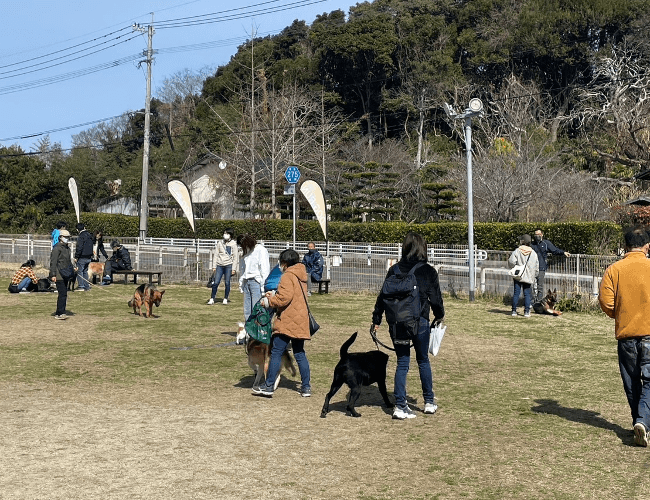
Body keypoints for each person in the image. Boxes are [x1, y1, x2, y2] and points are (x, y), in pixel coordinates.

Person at [371, 232, 445, 420]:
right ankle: (429, 401)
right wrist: (439, 316)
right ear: (423, 248)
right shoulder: (428, 271)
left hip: (397, 323)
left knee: (402, 362)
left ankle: (400, 406)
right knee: (423, 361)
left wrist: (376, 319)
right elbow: (436, 299)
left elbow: (382, 297)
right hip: (419, 321)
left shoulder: (394, 269)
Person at [599, 227, 650, 447]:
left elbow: (605, 301)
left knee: (631, 381)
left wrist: (619, 314)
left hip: (626, 334)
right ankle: (643, 421)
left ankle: (638, 422)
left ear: (626, 246)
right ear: (647, 246)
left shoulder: (614, 269)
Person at [253, 248, 311, 397]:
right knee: (299, 353)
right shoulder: (301, 275)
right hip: (300, 319)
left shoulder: (287, 276)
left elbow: (283, 299)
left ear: (285, 263)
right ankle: (306, 387)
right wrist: (275, 295)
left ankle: (268, 385)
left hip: (287, 319)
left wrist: (269, 301)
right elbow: (292, 295)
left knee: (276, 351)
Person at [237, 234, 270, 321]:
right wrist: (241, 283)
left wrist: (263, 288)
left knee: (256, 308)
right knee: (247, 309)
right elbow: (243, 268)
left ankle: (257, 330)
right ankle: (248, 329)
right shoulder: (247, 251)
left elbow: (265, 269)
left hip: (256, 282)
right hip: (247, 281)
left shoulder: (261, 250)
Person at [531, 229, 570, 302]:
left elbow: (554, 250)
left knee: (540, 286)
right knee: (531, 286)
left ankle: (538, 302)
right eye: (535, 234)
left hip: (541, 268)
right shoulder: (532, 245)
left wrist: (563, 252)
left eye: (538, 234)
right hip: (532, 268)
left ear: (542, 234)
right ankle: (531, 301)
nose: (537, 236)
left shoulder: (546, 243)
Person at [508, 234, 539, 318]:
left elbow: (511, 261)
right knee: (527, 294)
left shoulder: (517, 251)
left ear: (522, 241)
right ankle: (526, 312)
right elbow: (536, 266)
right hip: (528, 276)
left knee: (516, 293)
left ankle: (514, 310)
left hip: (518, 275)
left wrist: (514, 267)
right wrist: (534, 275)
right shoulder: (533, 253)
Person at [207, 228, 239, 305]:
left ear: (231, 235)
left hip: (228, 265)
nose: (225, 235)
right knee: (216, 282)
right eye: (224, 233)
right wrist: (214, 266)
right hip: (219, 265)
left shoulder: (233, 244)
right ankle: (212, 298)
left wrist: (234, 269)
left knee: (227, 282)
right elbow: (216, 255)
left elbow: (235, 257)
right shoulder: (220, 243)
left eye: (227, 233)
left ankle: (225, 298)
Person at [49, 229, 74, 320]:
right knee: (62, 294)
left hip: (66, 273)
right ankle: (59, 313)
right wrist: (53, 275)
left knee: (64, 294)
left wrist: (72, 269)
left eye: (68, 237)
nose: (67, 239)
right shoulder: (56, 248)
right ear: (60, 238)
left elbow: (68, 261)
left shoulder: (67, 248)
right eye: (65, 237)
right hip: (59, 274)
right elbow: (53, 262)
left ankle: (62, 311)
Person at [74, 223, 94, 291]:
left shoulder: (81, 236)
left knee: (80, 271)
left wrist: (76, 256)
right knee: (85, 271)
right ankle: (86, 286)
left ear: (77, 229)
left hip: (82, 256)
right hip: (89, 256)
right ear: (84, 227)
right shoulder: (89, 235)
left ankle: (81, 286)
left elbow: (79, 247)